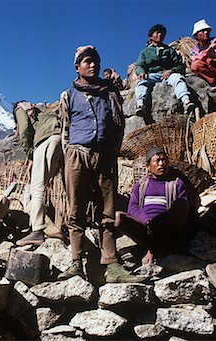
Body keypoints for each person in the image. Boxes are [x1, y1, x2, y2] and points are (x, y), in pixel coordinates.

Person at [58, 45, 144, 283]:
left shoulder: (110, 93)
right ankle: (76, 261)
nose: (93, 65)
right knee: (75, 209)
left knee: (107, 209)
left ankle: (111, 263)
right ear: (77, 67)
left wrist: (112, 151)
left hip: (105, 156)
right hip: (77, 154)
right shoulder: (68, 95)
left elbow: (118, 125)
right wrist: (70, 155)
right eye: (87, 61)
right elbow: (65, 129)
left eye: (95, 61)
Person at [114, 147, 190, 265]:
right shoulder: (140, 185)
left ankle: (153, 249)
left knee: (180, 206)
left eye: (164, 160)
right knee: (119, 218)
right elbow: (132, 208)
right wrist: (147, 220)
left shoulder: (176, 184)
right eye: (157, 161)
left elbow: (181, 208)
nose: (162, 164)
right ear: (148, 166)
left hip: (166, 226)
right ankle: (154, 246)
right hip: (146, 225)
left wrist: (159, 220)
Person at [12, 101, 64, 246]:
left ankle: (37, 231)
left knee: (37, 187)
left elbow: (24, 130)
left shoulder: (20, 108)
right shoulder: (43, 110)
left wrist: (30, 155)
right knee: (46, 183)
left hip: (45, 142)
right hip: (60, 139)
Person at [135, 24, 195, 117]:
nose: (160, 35)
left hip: (168, 74)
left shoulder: (170, 50)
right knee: (141, 82)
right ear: (151, 36)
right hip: (152, 75)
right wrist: (141, 72)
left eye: (162, 34)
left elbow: (180, 65)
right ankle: (140, 105)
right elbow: (139, 65)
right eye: (157, 33)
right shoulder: (145, 52)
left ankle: (186, 101)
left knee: (178, 78)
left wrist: (171, 71)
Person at [190, 19, 216, 86]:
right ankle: (213, 81)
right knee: (195, 65)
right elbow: (196, 60)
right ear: (196, 35)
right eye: (202, 31)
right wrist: (207, 51)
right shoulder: (194, 52)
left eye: (207, 30)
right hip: (213, 71)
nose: (206, 32)